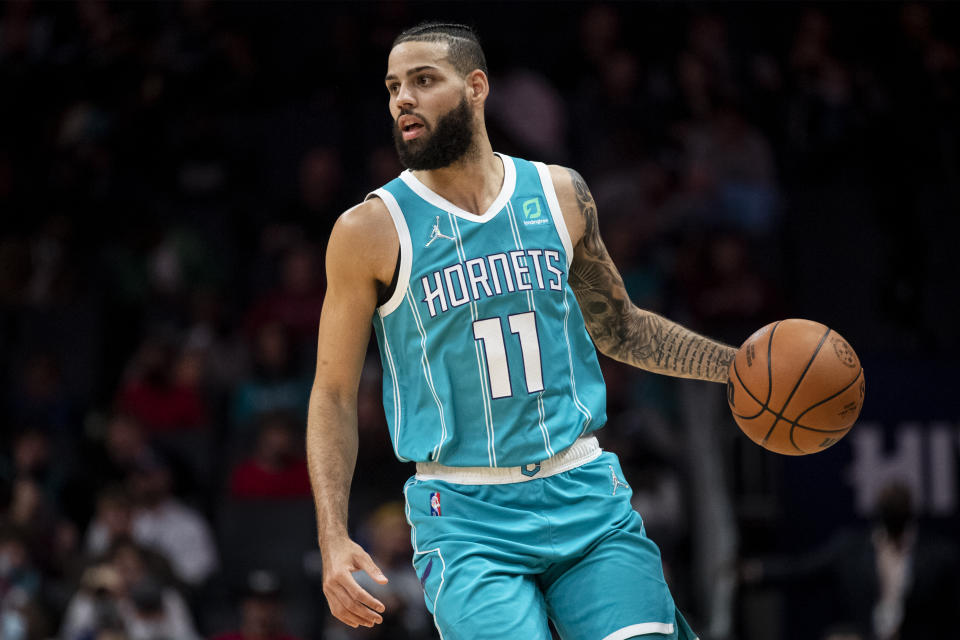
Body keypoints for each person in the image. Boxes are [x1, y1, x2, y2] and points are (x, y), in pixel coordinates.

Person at [307, 22, 735, 640]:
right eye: (394, 85)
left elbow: (621, 328)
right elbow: (332, 394)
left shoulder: (560, 192)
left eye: (424, 80)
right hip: (464, 513)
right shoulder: (368, 230)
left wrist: (736, 365)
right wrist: (333, 537)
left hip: (583, 489)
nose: (403, 97)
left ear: (477, 87)